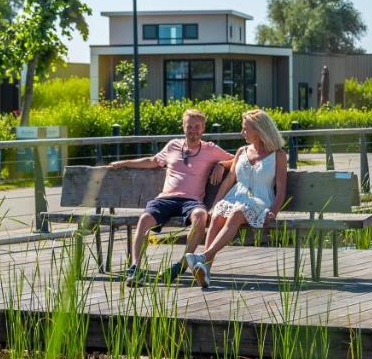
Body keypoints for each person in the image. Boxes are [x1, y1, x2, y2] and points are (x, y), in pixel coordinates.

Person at [107, 108, 231, 285]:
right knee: (144, 219)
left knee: (201, 216)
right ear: (183, 127)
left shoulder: (211, 149)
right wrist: (124, 163)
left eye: (197, 127)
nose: (193, 130)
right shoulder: (173, 145)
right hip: (165, 199)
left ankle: (182, 265)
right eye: (189, 126)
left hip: (191, 200)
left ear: (203, 129)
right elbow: (153, 161)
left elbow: (237, 160)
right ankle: (135, 268)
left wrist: (221, 164)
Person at [185, 109, 288, 288]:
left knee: (237, 213)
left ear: (259, 130)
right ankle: (205, 268)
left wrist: (273, 212)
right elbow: (229, 181)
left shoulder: (278, 154)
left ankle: (203, 257)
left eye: (245, 129)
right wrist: (215, 204)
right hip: (235, 197)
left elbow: (281, 189)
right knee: (218, 215)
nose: (242, 133)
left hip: (260, 201)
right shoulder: (242, 151)